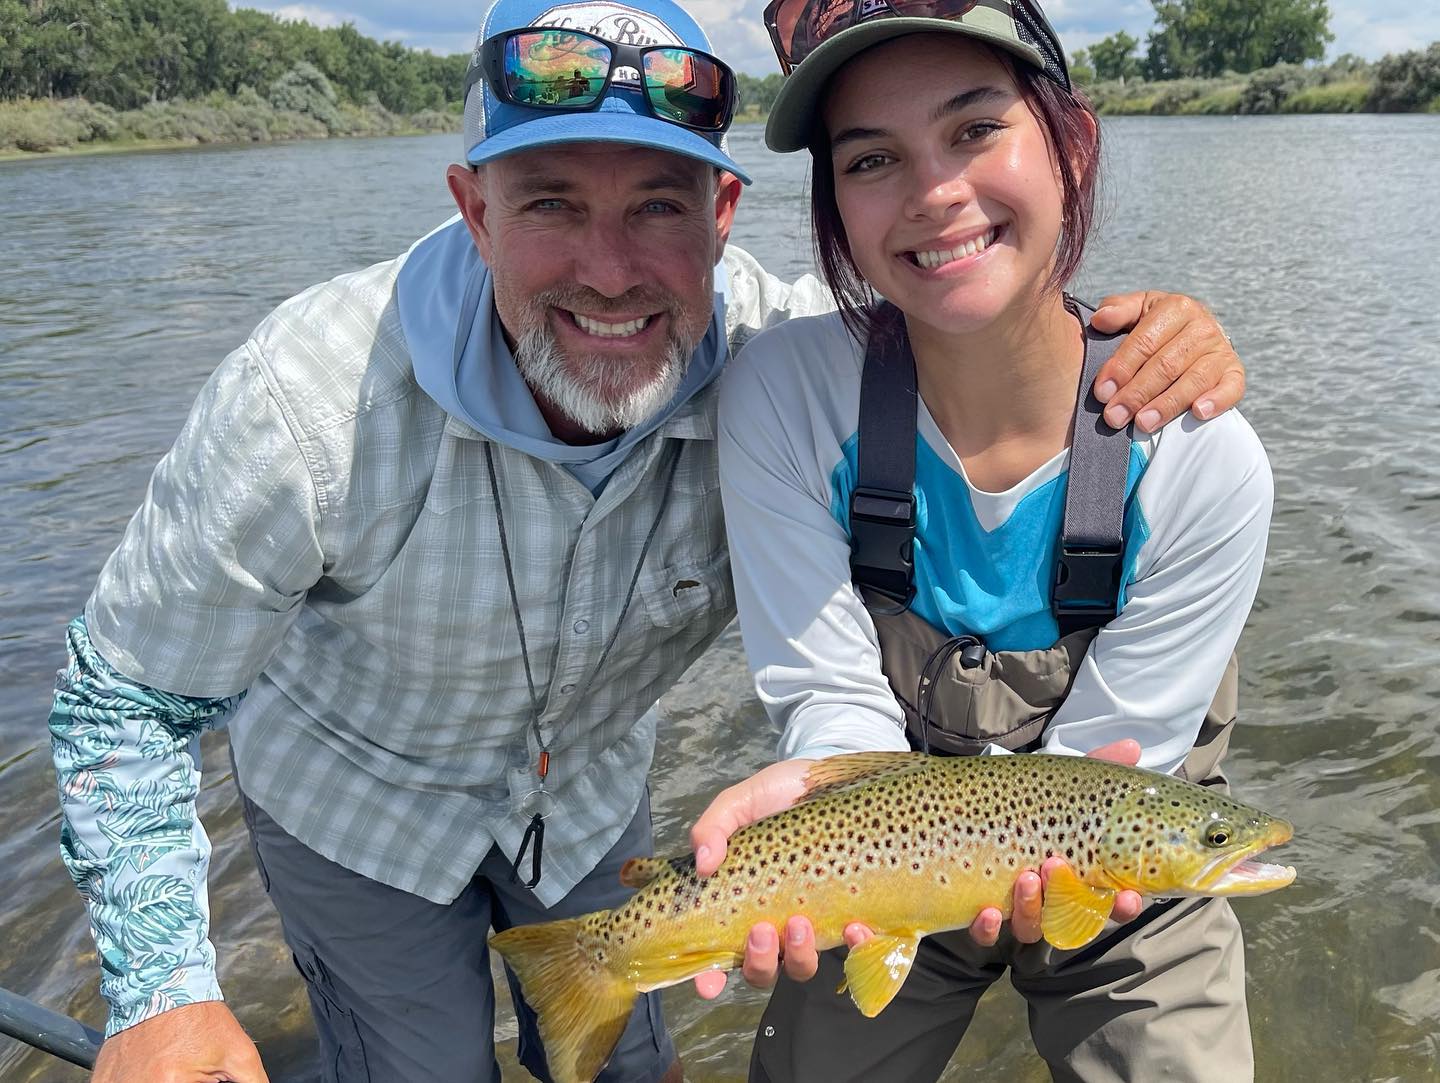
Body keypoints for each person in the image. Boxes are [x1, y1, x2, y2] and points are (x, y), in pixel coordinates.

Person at [47, 1, 1250, 1081]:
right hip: (354, 812)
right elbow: (123, 698)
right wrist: (164, 994)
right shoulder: (300, 404)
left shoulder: (778, 368)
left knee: (632, 1057)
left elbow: (957, 305)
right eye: (552, 204)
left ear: (725, 214)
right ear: (472, 209)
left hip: (587, 807)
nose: (611, 272)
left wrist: (1151, 338)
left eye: (659, 207)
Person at [692, 1, 1272, 1080]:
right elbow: (830, 696)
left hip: (1123, 863)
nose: (935, 194)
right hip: (878, 855)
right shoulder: (782, 394)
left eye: (975, 129)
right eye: (872, 158)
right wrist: (813, 808)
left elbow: (1114, 770)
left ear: (1074, 144)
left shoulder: (1203, 456)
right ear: (834, 206)